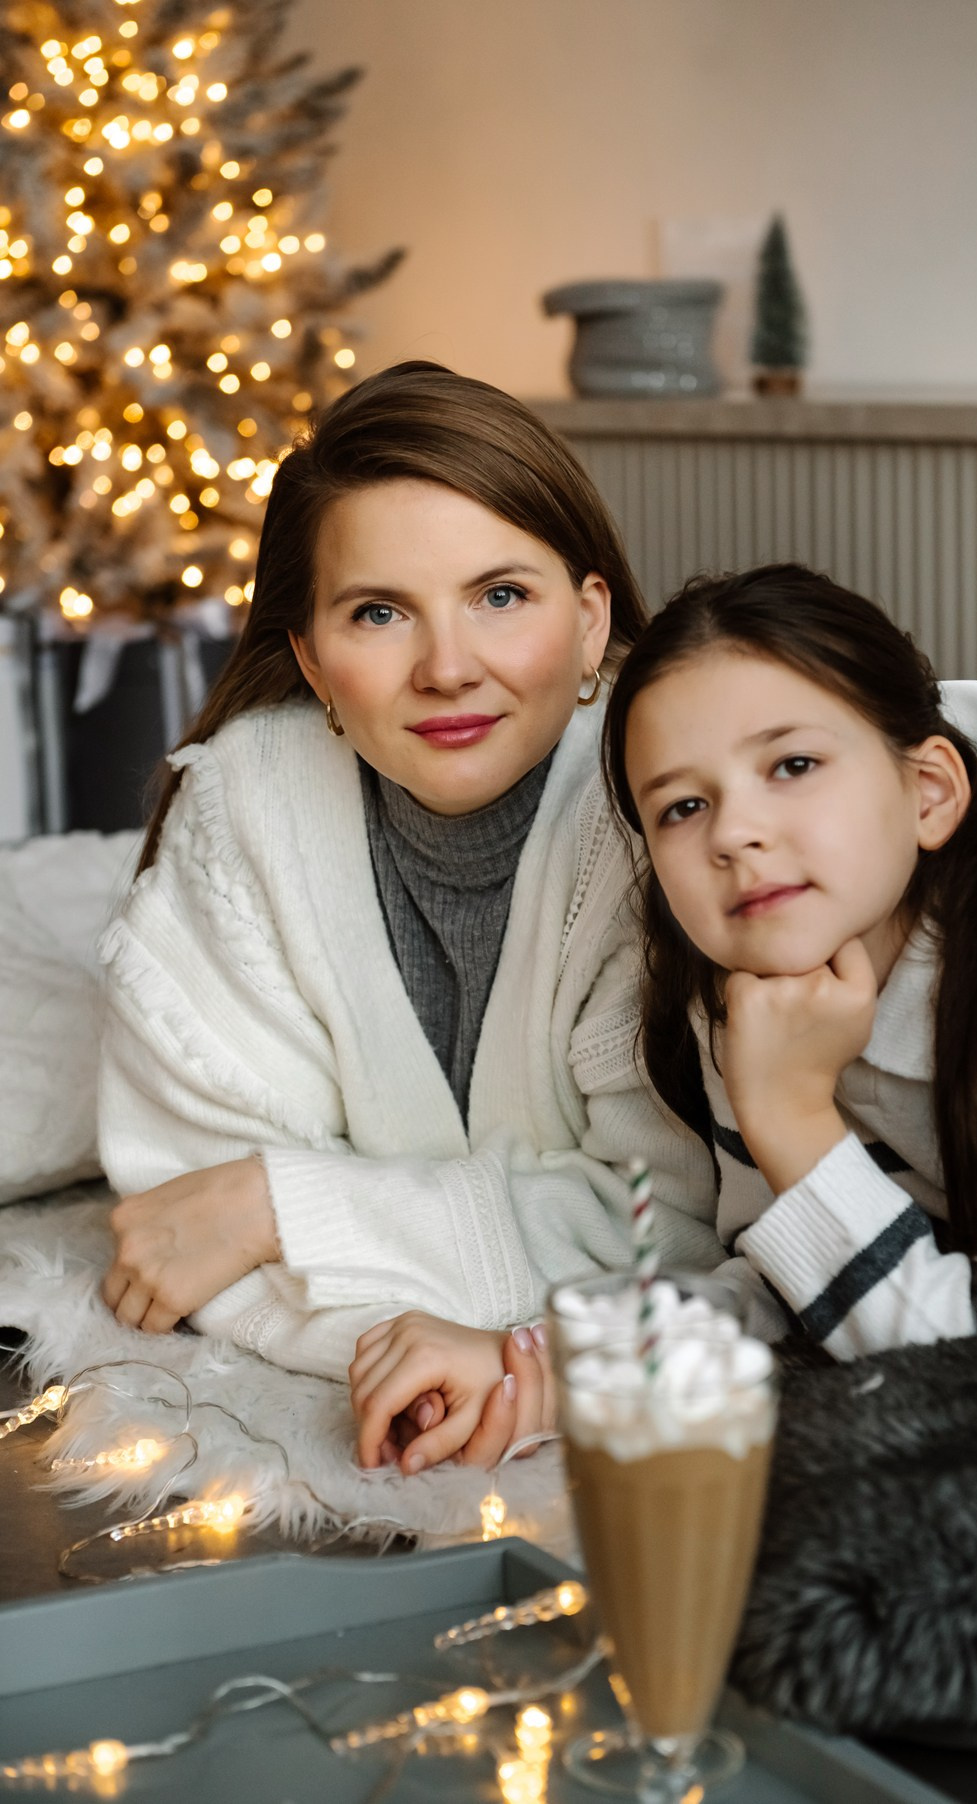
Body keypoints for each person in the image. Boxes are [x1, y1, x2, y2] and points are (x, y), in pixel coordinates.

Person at [97, 362, 724, 1471]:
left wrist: (280, 1206)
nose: (446, 668)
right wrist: (447, 1311)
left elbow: (660, 1234)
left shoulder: (665, 815)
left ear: (590, 623)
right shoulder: (247, 802)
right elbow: (177, 1226)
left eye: (500, 596)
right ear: (311, 660)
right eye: (379, 612)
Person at [602, 563, 977, 1361]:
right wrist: (570, 1361)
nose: (733, 833)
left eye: (793, 766)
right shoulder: (747, 993)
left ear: (927, 792)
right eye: (682, 807)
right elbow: (799, 1278)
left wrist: (790, 1114)